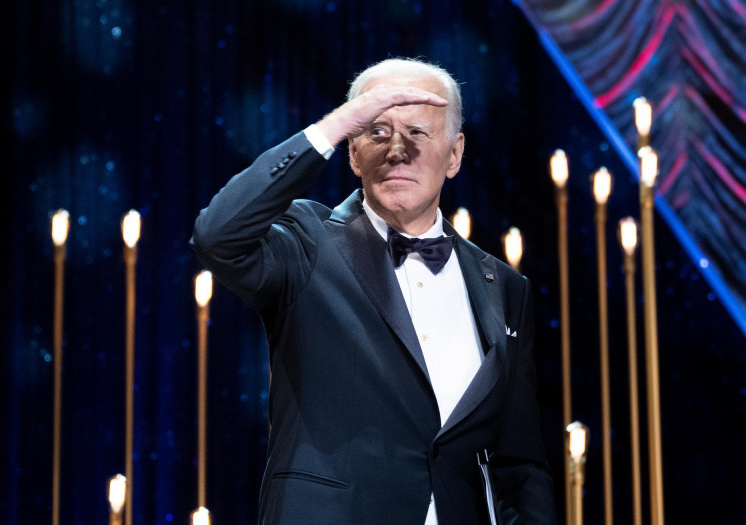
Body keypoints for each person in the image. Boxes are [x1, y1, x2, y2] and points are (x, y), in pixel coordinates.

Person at [190, 57, 557, 525]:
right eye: (376, 131)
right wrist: (337, 122)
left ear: (455, 154)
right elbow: (217, 236)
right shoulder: (307, 240)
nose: (397, 150)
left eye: (419, 133)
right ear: (352, 151)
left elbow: (519, 463)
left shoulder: (504, 286)